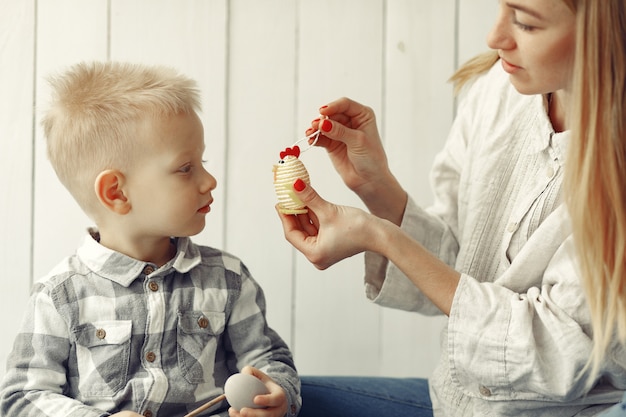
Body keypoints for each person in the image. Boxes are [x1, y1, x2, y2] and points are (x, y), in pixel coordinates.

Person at [277, 0, 626, 416]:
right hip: (449, 404)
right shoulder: (499, 90)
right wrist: (377, 188)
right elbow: (462, 266)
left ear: (604, 38)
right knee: (284, 401)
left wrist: (381, 237)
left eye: (526, 24)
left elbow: (558, 356)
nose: (494, 38)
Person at [0, 61, 301, 417]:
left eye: (201, 162)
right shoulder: (59, 296)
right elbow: (22, 398)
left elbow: (269, 359)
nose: (209, 181)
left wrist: (278, 395)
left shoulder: (227, 279)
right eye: (186, 168)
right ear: (117, 192)